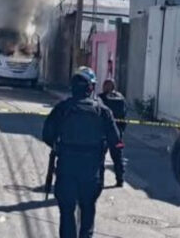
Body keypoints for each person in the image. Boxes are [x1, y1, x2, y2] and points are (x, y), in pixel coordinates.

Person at [42, 67, 121, 238]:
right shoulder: (103, 111)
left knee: (67, 213)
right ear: (91, 88)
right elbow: (116, 141)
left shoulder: (62, 108)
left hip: (66, 170)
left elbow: (47, 135)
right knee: (87, 212)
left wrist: (61, 146)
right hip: (91, 172)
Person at [98, 78, 128, 187]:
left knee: (100, 157)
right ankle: (120, 180)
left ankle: (100, 180)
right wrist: (121, 132)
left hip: (103, 133)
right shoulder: (121, 98)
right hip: (117, 133)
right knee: (117, 157)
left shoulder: (100, 98)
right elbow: (124, 115)